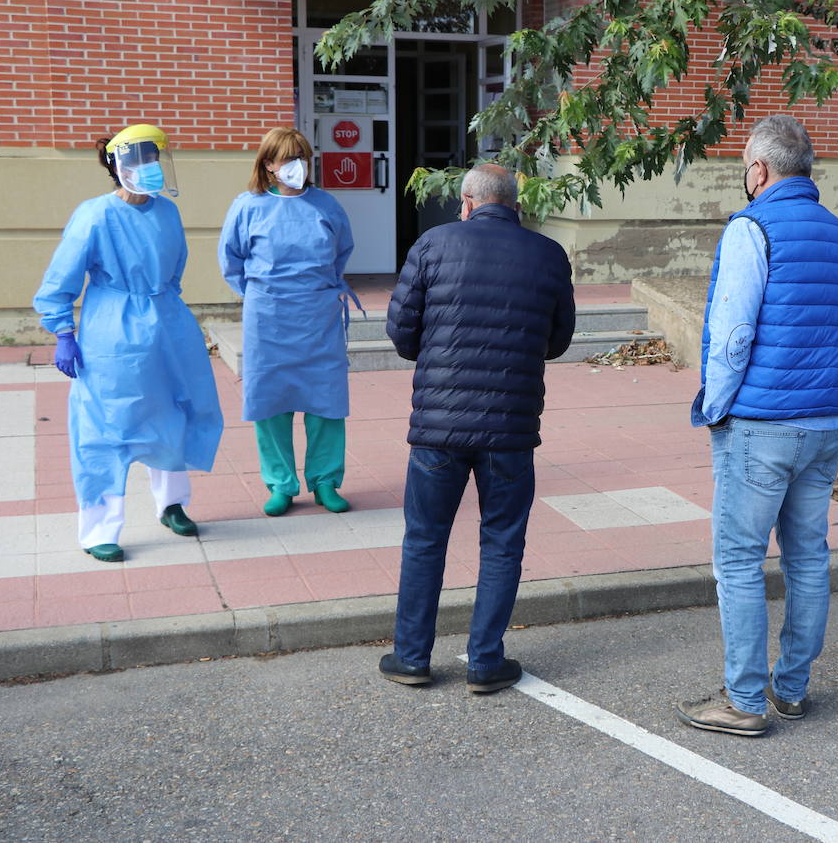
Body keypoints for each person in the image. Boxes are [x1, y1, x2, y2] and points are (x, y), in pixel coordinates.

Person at [675, 115, 838, 737]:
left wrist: (715, 405)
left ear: (759, 170)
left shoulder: (752, 227)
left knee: (738, 560)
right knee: (807, 558)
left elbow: (733, 334)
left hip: (761, 421)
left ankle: (745, 701)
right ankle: (790, 690)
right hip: (826, 419)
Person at [378, 164, 575, 694]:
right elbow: (558, 341)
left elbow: (401, 333)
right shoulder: (549, 254)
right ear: (516, 205)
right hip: (510, 428)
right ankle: (485, 661)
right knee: (503, 541)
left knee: (424, 539)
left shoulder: (432, 244)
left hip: (438, 427)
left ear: (466, 202)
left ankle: (411, 657)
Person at [34, 124, 223, 563]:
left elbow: (174, 268)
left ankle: (171, 503)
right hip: (112, 329)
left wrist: (164, 309)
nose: (151, 167)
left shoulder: (166, 212)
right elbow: (60, 279)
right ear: (118, 166)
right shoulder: (95, 214)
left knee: (172, 411)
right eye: (140, 159)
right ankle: (100, 527)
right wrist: (63, 332)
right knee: (105, 426)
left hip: (167, 322)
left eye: (155, 157)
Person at [218, 127, 357, 517]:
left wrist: (317, 288)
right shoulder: (248, 206)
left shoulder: (326, 206)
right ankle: (280, 484)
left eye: (303, 157)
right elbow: (232, 260)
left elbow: (341, 251)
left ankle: (326, 481)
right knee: (270, 401)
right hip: (268, 316)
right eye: (287, 159)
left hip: (318, 314)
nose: (297, 166)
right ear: (268, 165)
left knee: (326, 400)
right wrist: (264, 293)